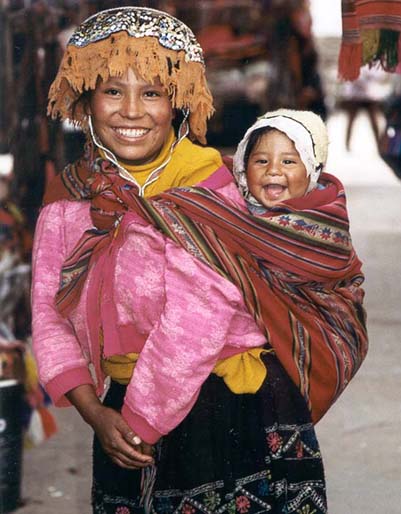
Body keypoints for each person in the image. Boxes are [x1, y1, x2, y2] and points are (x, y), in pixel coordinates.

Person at [31, 8, 366, 514]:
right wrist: (94, 412)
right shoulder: (70, 197)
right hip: (121, 416)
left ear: (177, 102)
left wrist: (138, 424)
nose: (131, 111)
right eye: (112, 91)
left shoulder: (209, 188)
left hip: (229, 414)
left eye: (151, 93)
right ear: (85, 99)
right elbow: (48, 314)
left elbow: (196, 322)